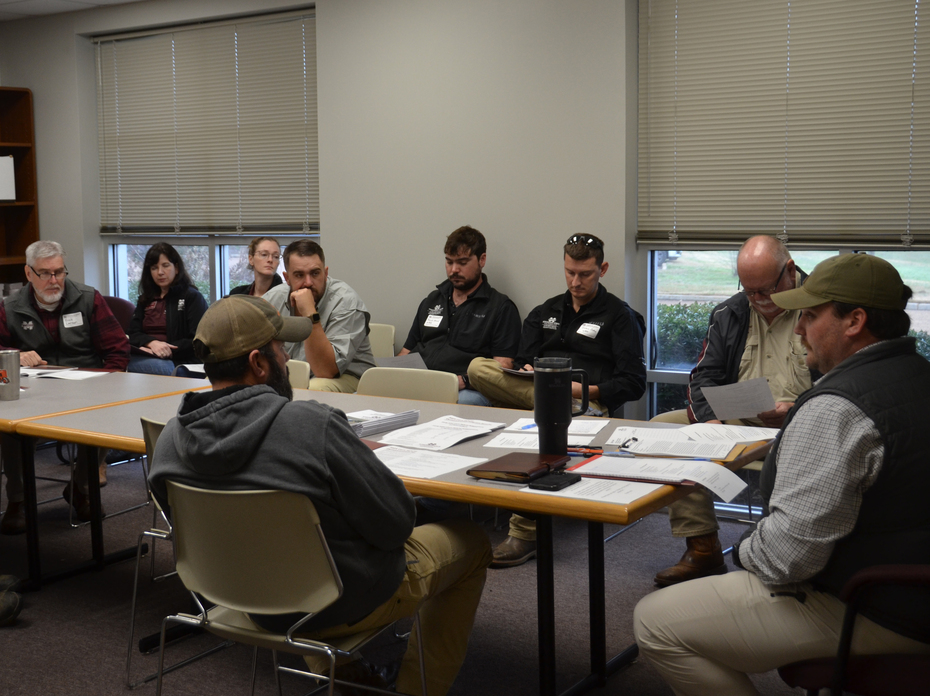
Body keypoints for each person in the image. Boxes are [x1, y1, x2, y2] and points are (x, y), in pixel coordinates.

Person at [147, 295, 492, 696]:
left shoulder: (170, 439)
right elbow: (396, 524)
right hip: (337, 598)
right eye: (281, 349)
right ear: (259, 363)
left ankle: (350, 680)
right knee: (473, 543)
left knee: (305, 543)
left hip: (241, 596)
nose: (290, 358)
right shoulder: (311, 425)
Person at [634, 253, 930, 695]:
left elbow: (784, 562)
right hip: (906, 583)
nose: (798, 327)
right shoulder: (916, 374)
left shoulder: (836, 410)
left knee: (655, 621)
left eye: (810, 316)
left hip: (879, 608)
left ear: (855, 321)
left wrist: (743, 550)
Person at [469, 234, 646, 567]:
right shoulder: (546, 310)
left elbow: (633, 383)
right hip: (535, 392)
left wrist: (582, 390)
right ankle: (548, 399)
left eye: (585, 274)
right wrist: (526, 370)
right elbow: (523, 358)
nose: (575, 282)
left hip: (586, 405)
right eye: (569, 273)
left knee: (548, 407)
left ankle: (524, 534)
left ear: (602, 269)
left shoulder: (620, 317)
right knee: (478, 367)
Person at [650, 235, 816, 587]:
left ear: (790, 272)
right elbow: (703, 377)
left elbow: (844, 383)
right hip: (738, 418)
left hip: (804, 422)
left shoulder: (820, 308)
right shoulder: (732, 311)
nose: (756, 301)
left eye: (764, 291)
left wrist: (797, 411)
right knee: (664, 428)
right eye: (748, 291)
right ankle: (703, 546)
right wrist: (711, 423)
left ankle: (787, 554)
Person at [0, 241, 129, 532]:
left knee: (102, 416)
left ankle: (82, 490)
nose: (54, 280)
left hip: (86, 386)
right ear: (28, 273)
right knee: (9, 428)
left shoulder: (87, 298)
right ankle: (18, 500)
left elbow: (118, 349)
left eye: (59, 272)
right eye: (45, 273)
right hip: (35, 393)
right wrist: (15, 355)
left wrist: (108, 383)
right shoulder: (11, 306)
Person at [398, 226, 521, 406]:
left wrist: (465, 381)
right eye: (449, 262)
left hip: (464, 390)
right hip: (420, 383)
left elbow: (502, 367)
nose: (454, 270)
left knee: (460, 402)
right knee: (362, 394)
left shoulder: (500, 308)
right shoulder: (432, 300)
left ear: (482, 260)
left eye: (462, 263)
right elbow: (406, 352)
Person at [263, 239, 376, 392]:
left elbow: (327, 370)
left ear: (326, 273)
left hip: (345, 377)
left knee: (315, 388)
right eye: (299, 275)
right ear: (287, 278)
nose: (308, 282)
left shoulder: (345, 301)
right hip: (290, 375)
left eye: (315, 273)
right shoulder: (272, 299)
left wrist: (310, 314)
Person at [127, 243, 208, 376]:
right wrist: (151, 343)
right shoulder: (146, 299)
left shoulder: (191, 297)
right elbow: (132, 334)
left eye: (165, 266)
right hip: (148, 355)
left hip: (179, 360)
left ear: (176, 268)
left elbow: (199, 340)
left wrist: (165, 348)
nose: (160, 272)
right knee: (116, 360)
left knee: (128, 365)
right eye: (154, 268)